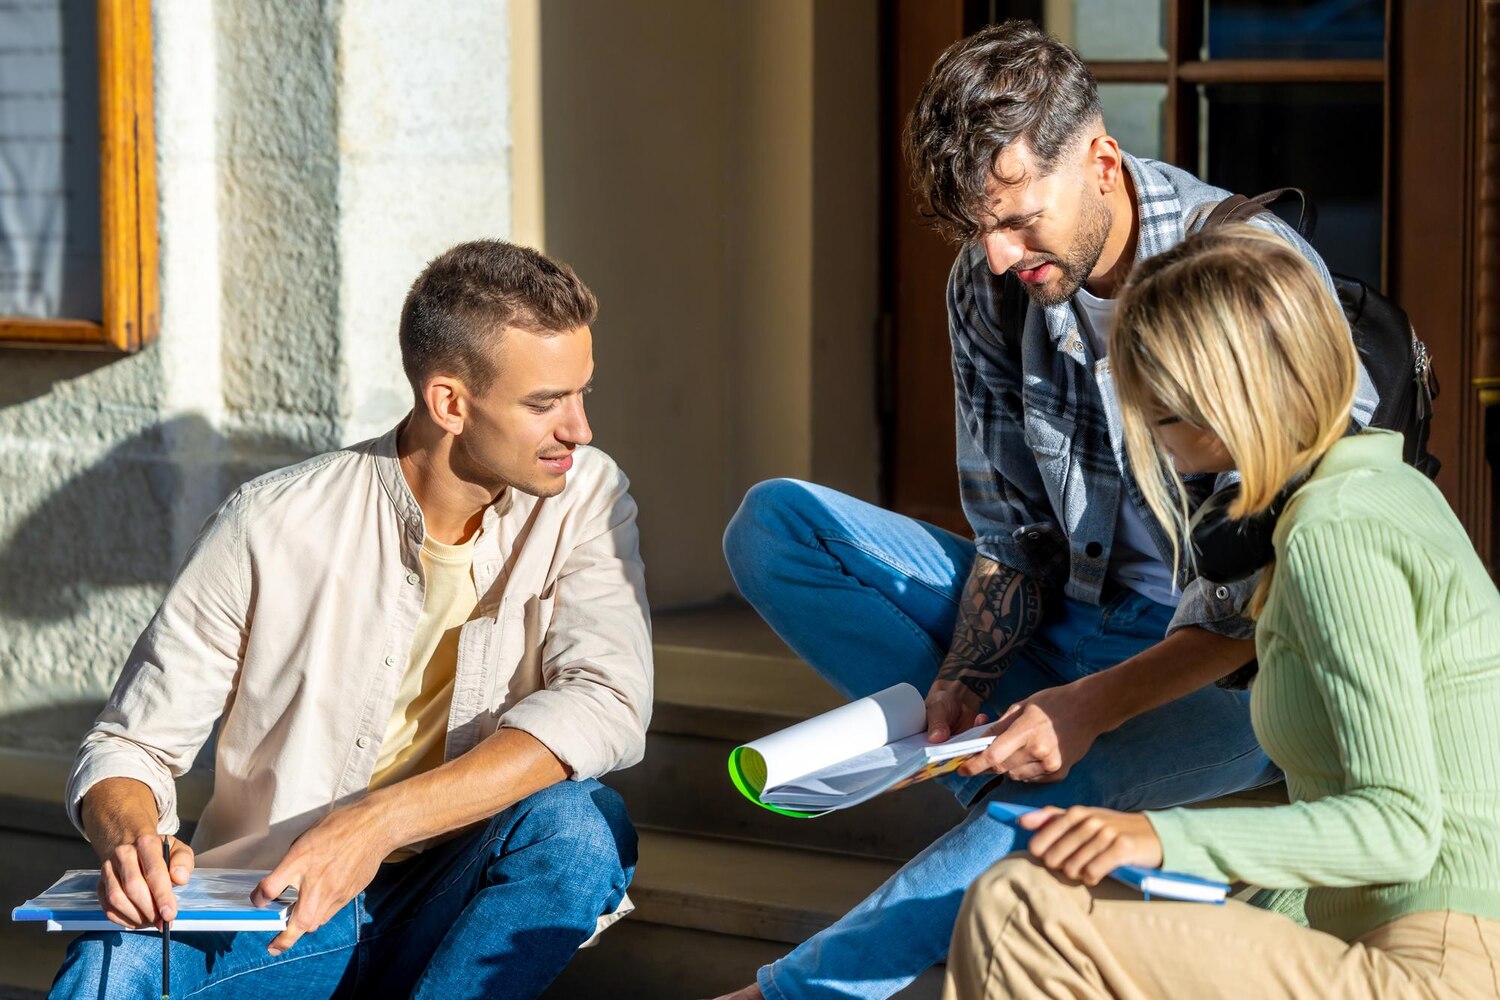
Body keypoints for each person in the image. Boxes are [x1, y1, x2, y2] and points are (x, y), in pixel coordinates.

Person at [715, 20, 1379, 1000]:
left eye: (1018, 218)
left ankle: (789, 994)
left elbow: (1286, 588)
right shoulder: (992, 286)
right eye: (974, 229)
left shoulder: (1244, 270)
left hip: (1240, 673)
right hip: (1070, 622)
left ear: (1101, 160)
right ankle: (1028, 768)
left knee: (1072, 794)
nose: (994, 255)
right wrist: (963, 682)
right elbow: (1011, 531)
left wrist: (1091, 710)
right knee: (777, 527)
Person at [49, 241, 653, 1000]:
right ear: (450, 403)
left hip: (456, 895)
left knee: (579, 829)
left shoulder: (586, 498)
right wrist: (133, 838)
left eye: (581, 394)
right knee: (114, 961)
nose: (580, 429)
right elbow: (130, 745)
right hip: (280, 906)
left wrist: (376, 824)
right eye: (545, 404)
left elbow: (606, 701)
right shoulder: (271, 523)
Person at [944, 223, 1500, 999]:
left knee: (1018, 913)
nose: (1143, 429)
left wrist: (1159, 835)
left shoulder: (1333, 535)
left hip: (1432, 965)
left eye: (1155, 410)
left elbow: (1399, 828)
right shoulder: (1385, 495)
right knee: (1068, 897)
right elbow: (1342, 794)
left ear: (1218, 406)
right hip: (1389, 939)